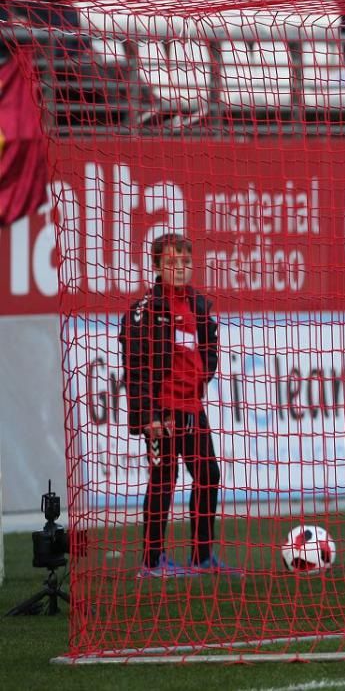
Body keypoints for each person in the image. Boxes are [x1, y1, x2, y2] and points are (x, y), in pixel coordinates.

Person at [120, 234, 242, 578]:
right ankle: (152, 561)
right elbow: (135, 369)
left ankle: (202, 557)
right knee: (163, 478)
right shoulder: (144, 312)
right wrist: (148, 417)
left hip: (191, 408)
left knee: (209, 475)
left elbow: (210, 351)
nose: (179, 269)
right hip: (162, 411)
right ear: (157, 266)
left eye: (185, 263)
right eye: (171, 263)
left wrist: (202, 375)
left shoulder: (199, 305)